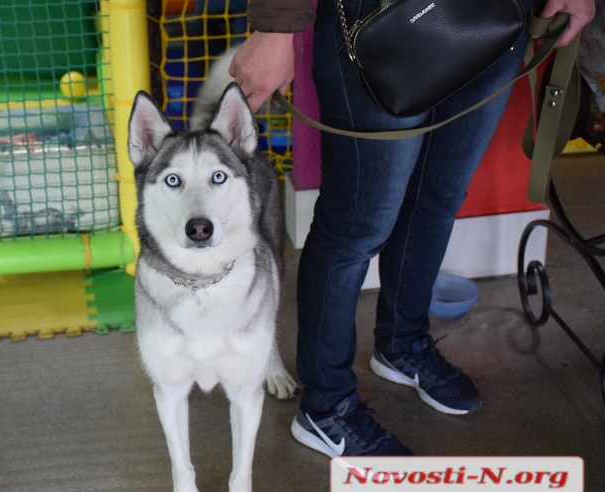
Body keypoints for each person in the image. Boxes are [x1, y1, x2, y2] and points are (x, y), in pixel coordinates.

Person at [229, 0, 596, 456]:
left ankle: (402, 345)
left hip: (501, 14)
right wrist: (276, 27)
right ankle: (326, 408)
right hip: (378, 17)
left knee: (438, 195)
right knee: (356, 226)